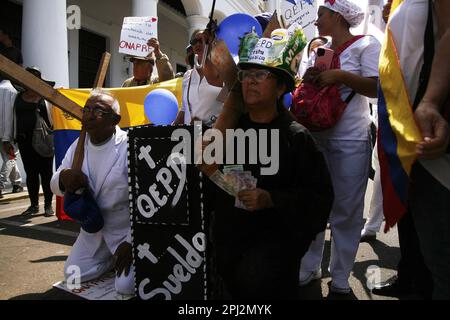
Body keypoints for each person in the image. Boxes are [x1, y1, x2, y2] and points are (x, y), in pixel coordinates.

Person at [209, 28, 333, 299]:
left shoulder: (296, 138)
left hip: (274, 257)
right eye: (246, 75)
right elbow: (217, 176)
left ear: (280, 88)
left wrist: (272, 199)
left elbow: (320, 198)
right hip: (229, 248)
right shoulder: (229, 130)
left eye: (260, 75)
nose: (250, 82)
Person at [298, 0, 381, 295]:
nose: (317, 20)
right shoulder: (321, 51)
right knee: (314, 204)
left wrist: (341, 77)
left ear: (337, 16)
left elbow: (375, 87)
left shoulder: (366, 45)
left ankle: (341, 276)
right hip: (317, 137)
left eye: (321, 14)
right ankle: (309, 266)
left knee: (346, 209)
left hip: (351, 139)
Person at [377, 0, 450, 299]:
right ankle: (409, 280)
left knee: (443, 264)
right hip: (409, 137)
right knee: (420, 245)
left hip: (433, 136)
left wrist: (432, 100)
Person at [50, 89, 134, 295]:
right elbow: (55, 182)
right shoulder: (78, 146)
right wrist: (64, 178)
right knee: (72, 274)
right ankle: (107, 261)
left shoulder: (129, 147)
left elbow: (144, 200)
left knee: (125, 286)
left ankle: (120, 257)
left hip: (123, 231)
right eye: (86, 109)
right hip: (93, 229)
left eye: (97, 111)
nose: (87, 114)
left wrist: (133, 242)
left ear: (115, 120)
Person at [14, 67, 54, 216]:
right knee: (31, 174)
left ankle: (48, 205)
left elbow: (56, 118)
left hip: (45, 141)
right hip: (25, 141)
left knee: (46, 174)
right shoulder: (17, 97)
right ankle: (34, 205)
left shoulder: (47, 97)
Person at [173, 30, 223, 126]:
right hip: (189, 136)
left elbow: (225, 104)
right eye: (194, 41)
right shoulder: (187, 75)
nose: (198, 44)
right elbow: (184, 108)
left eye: (203, 40)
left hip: (213, 135)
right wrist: (172, 128)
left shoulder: (222, 73)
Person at [0, 75, 23, 198]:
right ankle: (0, 184)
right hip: (9, 132)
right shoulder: (14, 91)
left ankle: (17, 183)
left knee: (8, 158)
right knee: (10, 158)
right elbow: (9, 117)